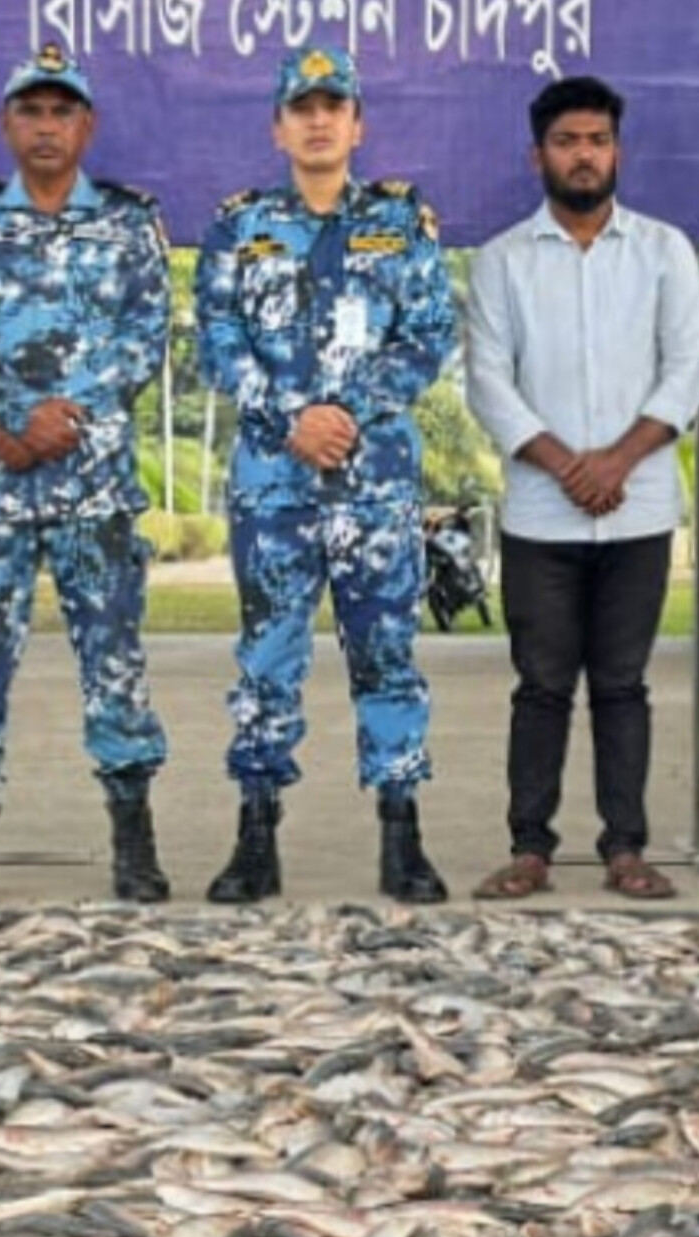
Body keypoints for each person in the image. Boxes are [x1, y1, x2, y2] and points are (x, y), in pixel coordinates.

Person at [194, 44, 461, 906]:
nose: (317, 120)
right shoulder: (239, 229)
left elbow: (428, 335)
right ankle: (256, 837)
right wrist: (290, 421)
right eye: (301, 107)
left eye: (332, 106)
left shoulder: (399, 221)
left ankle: (402, 836)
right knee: (268, 658)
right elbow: (218, 342)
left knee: (386, 656)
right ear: (278, 127)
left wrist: (344, 410)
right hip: (274, 485)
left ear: (357, 124)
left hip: (374, 483)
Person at [0, 45, 176, 904]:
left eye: (62, 112)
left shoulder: (132, 225)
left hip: (93, 487)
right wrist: (7, 417)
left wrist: (70, 417)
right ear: (6, 124)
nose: (46, 126)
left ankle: (133, 838)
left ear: (86, 125)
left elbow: (145, 336)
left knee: (114, 663)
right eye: (31, 111)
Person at [464, 76, 699, 902]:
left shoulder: (664, 250)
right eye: (567, 141)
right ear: (539, 155)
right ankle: (530, 849)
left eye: (597, 141)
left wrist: (616, 462)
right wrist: (571, 465)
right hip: (541, 513)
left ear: (617, 152)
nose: (583, 155)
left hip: (637, 510)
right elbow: (490, 385)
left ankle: (625, 849)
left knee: (622, 686)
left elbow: (687, 373)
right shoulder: (501, 262)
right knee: (540, 688)